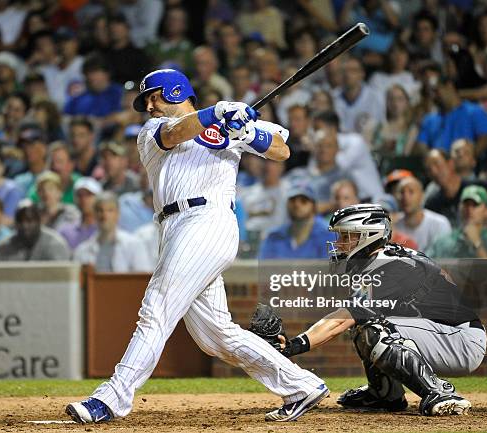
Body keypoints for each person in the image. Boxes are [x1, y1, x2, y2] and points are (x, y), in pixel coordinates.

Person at [66, 69, 328, 424]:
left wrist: (248, 131)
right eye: (146, 101)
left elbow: (282, 151)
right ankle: (301, 385)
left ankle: (112, 397)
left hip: (209, 220)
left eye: (153, 96)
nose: (149, 105)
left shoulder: (228, 125)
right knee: (216, 336)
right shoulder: (152, 131)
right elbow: (177, 132)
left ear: (175, 90)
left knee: (156, 308)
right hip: (176, 227)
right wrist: (217, 113)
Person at [271, 204, 486, 416]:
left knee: (372, 328)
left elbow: (341, 319)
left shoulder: (390, 267)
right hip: (441, 332)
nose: (339, 243)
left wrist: (293, 346)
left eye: (346, 236)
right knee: (364, 324)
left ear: (368, 235)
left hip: (461, 340)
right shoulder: (379, 260)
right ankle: (385, 393)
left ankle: (440, 392)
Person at [73, 192, 153, 272]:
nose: (105, 215)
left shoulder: (135, 245)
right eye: (100, 210)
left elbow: (142, 279)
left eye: (110, 210)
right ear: (94, 215)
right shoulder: (82, 251)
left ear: (118, 214)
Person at [258, 184, 334, 260]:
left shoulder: (328, 235)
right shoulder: (273, 236)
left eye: (303, 201)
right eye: (292, 200)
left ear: (314, 206)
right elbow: (264, 268)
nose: (297, 205)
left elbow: (330, 269)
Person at [426, 185, 487, 259]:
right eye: (466, 204)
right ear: (459, 207)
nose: (469, 210)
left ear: (486, 211)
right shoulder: (443, 242)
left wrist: (477, 243)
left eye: (475, 205)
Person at [0, 201, 71, 261]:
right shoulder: (5, 247)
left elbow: (63, 276)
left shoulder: (55, 244)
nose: (25, 225)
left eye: (29, 221)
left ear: (39, 221)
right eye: (20, 221)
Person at [394, 176, 451, 251]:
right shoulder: (393, 225)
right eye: (402, 192)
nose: (405, 197)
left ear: (422, 196)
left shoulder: (439, 223)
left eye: (411, 192)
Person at [58, 177, 102, 250]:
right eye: (79, 195)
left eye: (89, 195)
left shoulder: (105, 231)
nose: (84, 199)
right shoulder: (65, 231)